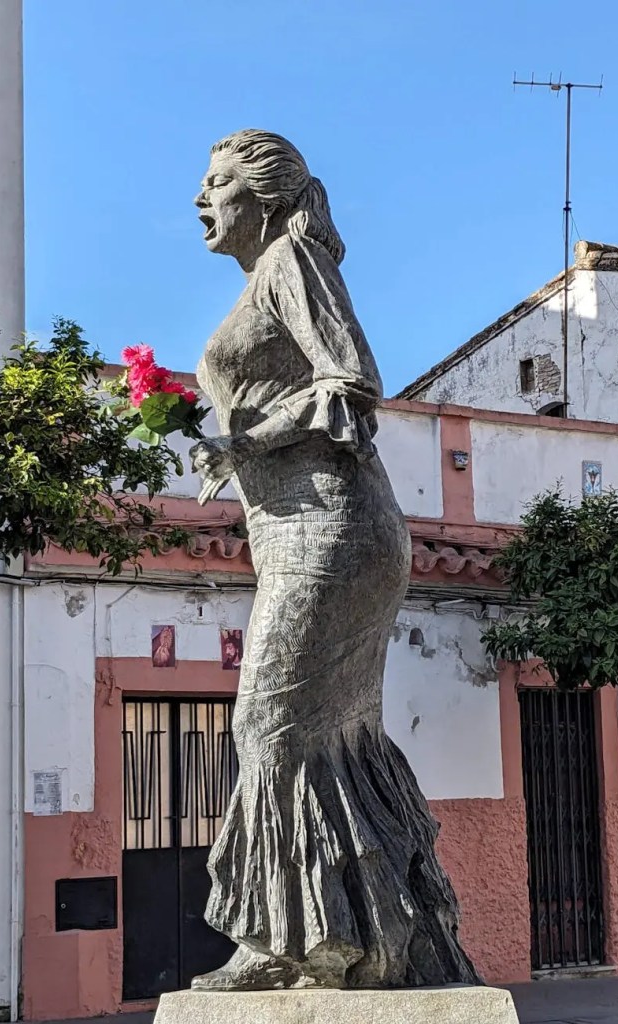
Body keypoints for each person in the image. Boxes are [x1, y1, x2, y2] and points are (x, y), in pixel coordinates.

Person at [188, 129, 479, 991]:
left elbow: (351, 380)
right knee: (332, 736)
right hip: (299, 532)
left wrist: (245, 435)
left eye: (216, 184)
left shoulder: (289, 259)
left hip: (333, 529)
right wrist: (232, 444)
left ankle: (284, 945)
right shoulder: (263, 277)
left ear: (264, 196)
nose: (200, 200)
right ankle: (377, 937)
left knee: (270, 730)